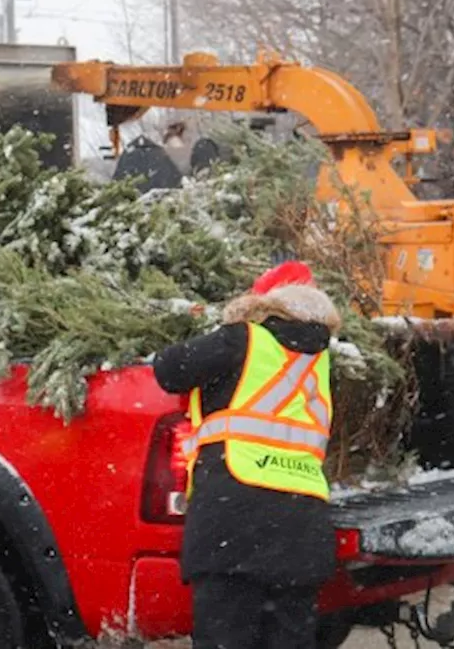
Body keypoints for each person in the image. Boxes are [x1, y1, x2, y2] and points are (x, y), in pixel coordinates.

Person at [154, 261, 339, 649]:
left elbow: (169, 370)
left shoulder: (242, 340)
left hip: (235, 521)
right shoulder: (321, 362)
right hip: (303, 528)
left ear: (263, 303)